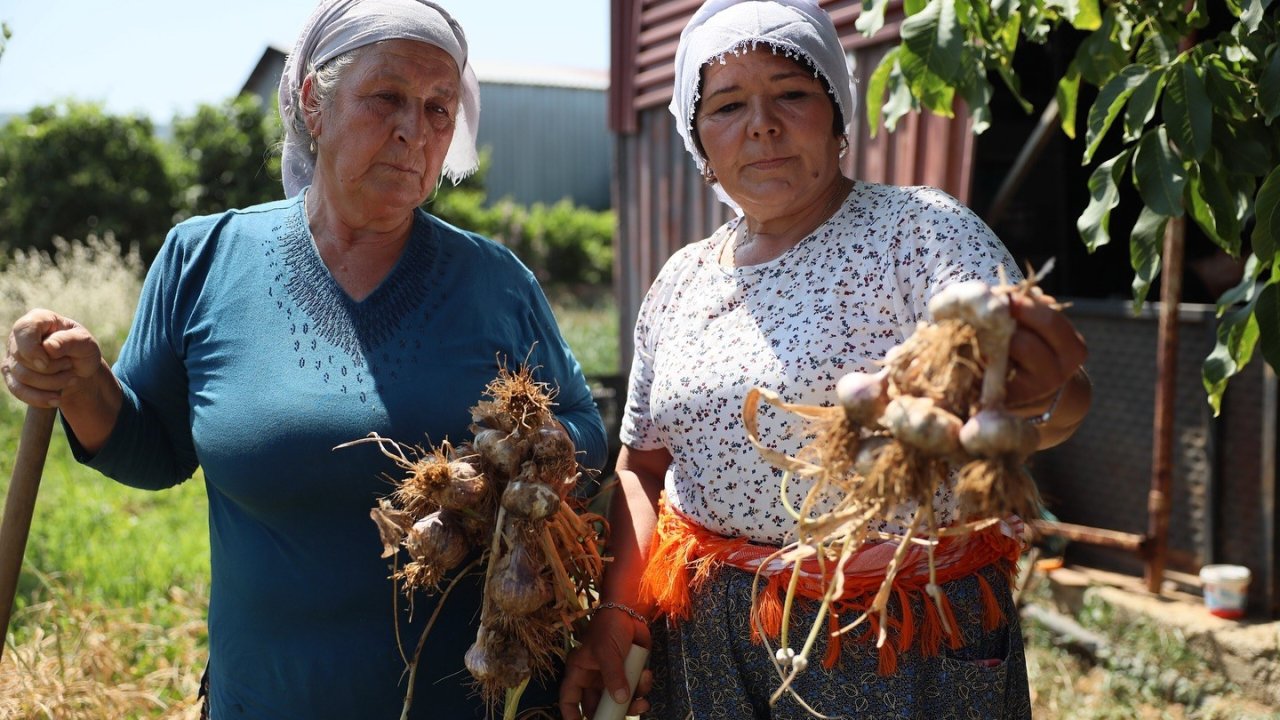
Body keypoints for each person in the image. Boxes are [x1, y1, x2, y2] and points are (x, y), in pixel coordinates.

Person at [1, 1, 605, 718]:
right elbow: (151, 451)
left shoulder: (495, 281)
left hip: (462, 699)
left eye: (440, 109)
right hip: (266, 697)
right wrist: (81, 385)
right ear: (314, 103)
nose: (415, 130)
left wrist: (539, 449)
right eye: (387, 98)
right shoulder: (205, 260)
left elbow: (586, 431)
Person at [559, 1, 1091, 718]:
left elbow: (1031, 390)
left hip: (892, 633)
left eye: (791, 93)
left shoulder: (917, 231)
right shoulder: (682, 280)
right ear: (698, 140)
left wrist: (1040, 394)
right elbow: (643, 466)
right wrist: (617, 612)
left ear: (838, 115)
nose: (761, 125)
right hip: (710, 640)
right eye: (726, 106)